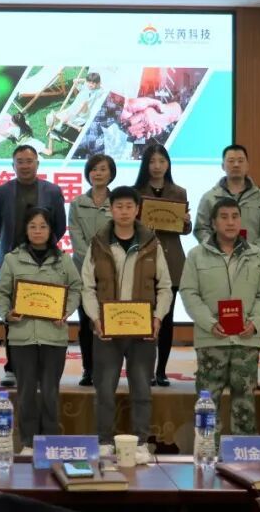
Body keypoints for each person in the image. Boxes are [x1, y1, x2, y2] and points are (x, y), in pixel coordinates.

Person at [81, 186, 171, 461]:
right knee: (104, 390)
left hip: (142, 332)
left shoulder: (152, 244)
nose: (123, 211)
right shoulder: (98, 243)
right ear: (110, 209)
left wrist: (158, 318)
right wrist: (96, 319)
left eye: (129, 206)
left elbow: (165, 287)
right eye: (118, 206)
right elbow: (87, 286)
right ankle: (104, 441)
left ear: (137, 210)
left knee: (142, 388)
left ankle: (141, 442)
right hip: (106, 331)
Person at [181, 197, 260, 439]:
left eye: (235, 216)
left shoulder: (256, 255)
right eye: (224, 217)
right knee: (207, 402)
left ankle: (242, 451)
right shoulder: (197, 255)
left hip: (246, 340)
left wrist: (255, 323)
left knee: (245, 402)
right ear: (213, 223)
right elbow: (189, 293)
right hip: (211, 339)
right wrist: (210, 323)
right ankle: (206, 450)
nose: (230, 222)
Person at [0, 207, 82, 456]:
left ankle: (50, 443)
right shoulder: (12, 259)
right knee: (26, 394)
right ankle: (29, 443)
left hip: (54, 336)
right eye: (32, 226)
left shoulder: (63, 260)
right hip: (22, 337)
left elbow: (76, 287)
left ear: (51, 229)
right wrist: (7, 313)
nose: (37, 231)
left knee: (50, 393)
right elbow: (2, 292)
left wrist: (66, 311)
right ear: (25, 229)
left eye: (43, 226)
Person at [0, 145, 67, 387]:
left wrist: (42, 243)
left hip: (44, 259)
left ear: (38, 163)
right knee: (12, 312)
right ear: (13, 165)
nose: (25, 165)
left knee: (42, 309)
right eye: (20, 161)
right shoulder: (2, 192)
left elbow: (59, 226)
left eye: (29, 161)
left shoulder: (52, 191)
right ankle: (12, 367)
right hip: (13, 259)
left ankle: (41, 366)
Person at [133, 144, 191, 387]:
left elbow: (184, 230)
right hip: (143, 261)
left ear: (168, 164)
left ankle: (162, 371)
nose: (157, 166)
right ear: (145, 165)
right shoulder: (135, 193)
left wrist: (185, 222)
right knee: (144, 318)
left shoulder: (179, 192)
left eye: (162, 161)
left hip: (172, 260)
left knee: (166, 318)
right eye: (152, 161)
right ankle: (145, 369)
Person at [67, 154, 115, 387]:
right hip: (82, 271)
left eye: (103, 169)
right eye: (94, 169)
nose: (98, 173)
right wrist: (91, 262)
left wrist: (106, 262)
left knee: (108, 320)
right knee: (86, 322)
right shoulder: (77, 203)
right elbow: (75, 235)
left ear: (111, 173)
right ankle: (88, 369)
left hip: (112, 271)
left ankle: (108, 368)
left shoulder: (117, 203)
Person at [194, 144, 260, 253]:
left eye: (240, 161)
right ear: (223, 166)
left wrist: (255, 252)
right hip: (218, 257)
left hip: (252, 258)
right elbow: (201, 229)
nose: (236, 165)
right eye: (231, 161)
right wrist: (216, 250)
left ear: (247, 165)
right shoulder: (209, 198)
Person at [43, 72, 104, 156]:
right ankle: (54, 138)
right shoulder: (85, 87)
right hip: (72, 109)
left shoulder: (97, 92)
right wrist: (85, 80)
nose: (90, 85)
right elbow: (75, 80)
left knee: (83, 104)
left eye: (93, 83)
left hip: (84, 113)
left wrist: (95, 83)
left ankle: (62, 124)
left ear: (97, 83)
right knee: (53, 117)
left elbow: (102, 87)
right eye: (89, 82)